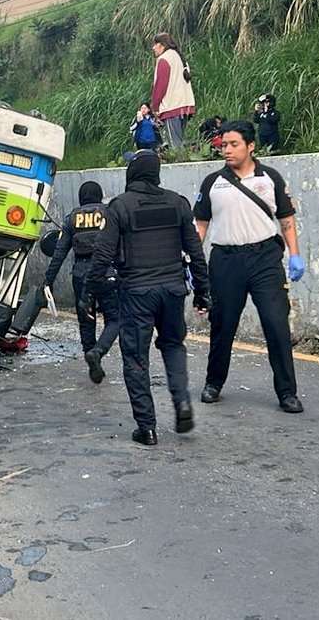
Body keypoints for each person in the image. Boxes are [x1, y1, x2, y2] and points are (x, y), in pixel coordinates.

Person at [86, 151, 210, 446]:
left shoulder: (120, 207)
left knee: (135, 357)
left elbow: (102, 255)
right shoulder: (178, 203)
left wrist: (90, 292)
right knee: (173, 346)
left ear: (131, 173)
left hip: (137, 292)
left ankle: (147, 428)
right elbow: (195, 252)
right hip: (173, 290)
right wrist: (203, 291)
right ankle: (182, 404)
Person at [193, 120, 305, 413]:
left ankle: (287, 393)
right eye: (223, 146)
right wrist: (191, 262)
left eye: (233, 145)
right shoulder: (212, 183)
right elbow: (200, 227)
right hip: (226, 260)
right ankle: (213, 383)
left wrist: (294, 254)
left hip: (265, 259)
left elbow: (286, 220)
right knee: (222, 325)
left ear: (250, 146)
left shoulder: (271, 179)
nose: (227, 151)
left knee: (276, 323)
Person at [43, 180, 118, 384]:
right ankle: (99, 352)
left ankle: (91, 357)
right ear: (99, 196)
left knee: (86, 320)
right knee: (115, 319)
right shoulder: (109, 213)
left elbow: (59, 252)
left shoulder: (72, 219)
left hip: (81, 274)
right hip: (106, 271)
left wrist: (48, 280)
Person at [150, 32, 195, 149]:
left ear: (162, 45)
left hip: (172, 107)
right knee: (179, 143)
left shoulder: (164, 59)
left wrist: (154, 107)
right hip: (185, 106)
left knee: (174, 147)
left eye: (155, 44)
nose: (153, 47)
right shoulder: (179, 57)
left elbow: (160, 86)